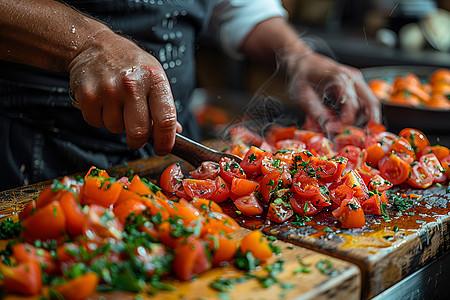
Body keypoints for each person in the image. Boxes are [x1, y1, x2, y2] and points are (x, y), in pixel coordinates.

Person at [0, 0, 380, 191]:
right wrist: (86, 43)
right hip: (26, 149)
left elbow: (238, 7)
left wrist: (296, 55)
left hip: (173, 152)